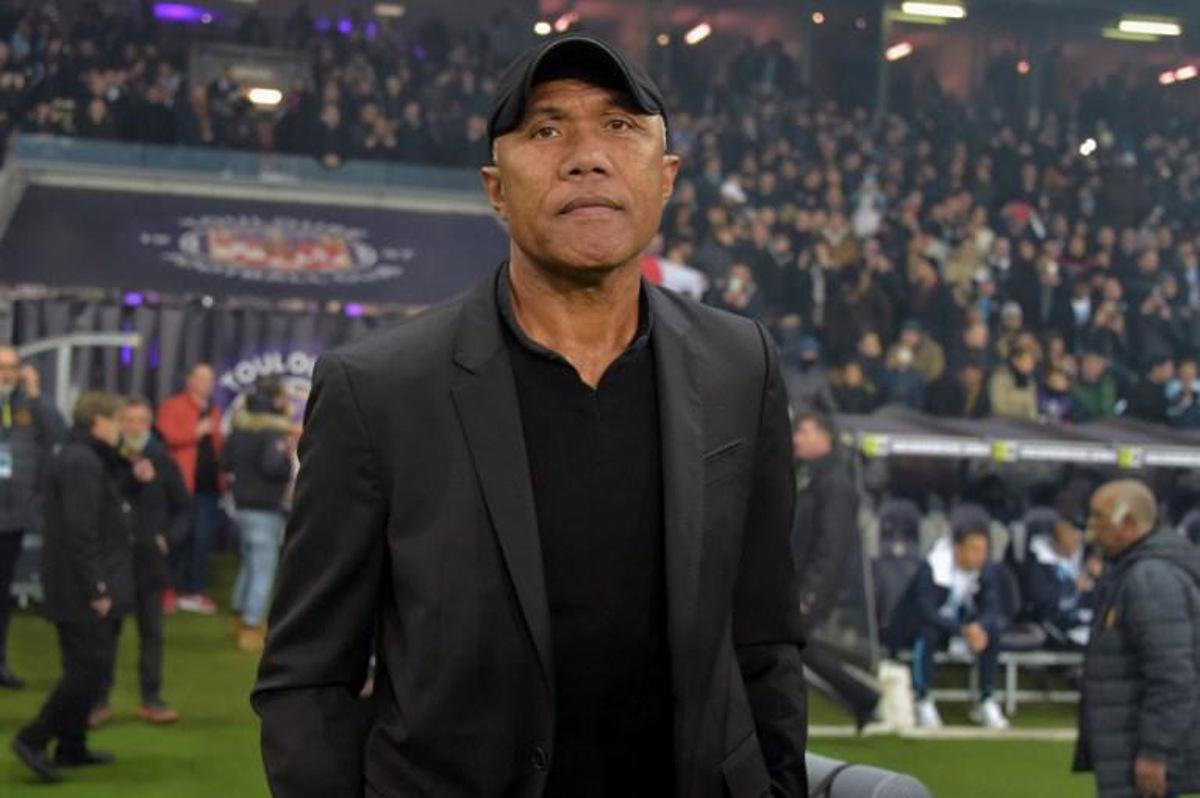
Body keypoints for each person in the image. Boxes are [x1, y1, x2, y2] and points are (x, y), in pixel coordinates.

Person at [254, 33, 808, 797]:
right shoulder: (377, 389)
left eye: (620, 126)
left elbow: (767, 637)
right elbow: (307, 678)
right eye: (547, 130)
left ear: (667, 175)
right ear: (494, 189)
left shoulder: (742, 365)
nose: (587, 156)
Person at [12, 392, 137, 783]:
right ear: (98, 420)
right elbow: (81, 531)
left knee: (84, 666)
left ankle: (71, 745)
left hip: (78, 581)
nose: (121, 428)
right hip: (81, 587)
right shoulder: (80, 462)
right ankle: (33, 739)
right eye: (117, 420)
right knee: (90, 669)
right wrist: (97, 587)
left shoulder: (84, 457)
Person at [1074, 480, 1200, 798]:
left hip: (1136, 750)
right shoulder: (1134, 571)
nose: (1090, 526)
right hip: (1127, 744)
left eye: (1098, 517)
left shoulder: (1150, 579)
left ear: (1127, 523)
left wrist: (1155, 751)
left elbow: (1173, 676)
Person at [91, 397, 189, 727]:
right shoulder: (107, 459)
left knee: (152, 633)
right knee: (106, 633)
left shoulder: (163, 461)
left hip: (149, 560)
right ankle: (99, 701)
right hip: (115, 561)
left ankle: (152, 699)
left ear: (149, 424)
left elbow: (185, 508)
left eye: (140, 420)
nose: (134, 426)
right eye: (128, 420)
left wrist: (167, 538)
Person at [790, 412, 879, 729]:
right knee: (794, 646)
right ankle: (862, 698)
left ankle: (862, 696)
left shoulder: (835, 484)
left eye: (804, 432)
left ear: (824, 438)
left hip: (812, 587)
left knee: (791, 644)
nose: (796, 438)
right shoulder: (813, 477)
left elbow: (831, 544)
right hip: (802, 583)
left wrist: (810, 592)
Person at [884, 505, 1009, 730]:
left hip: (960, 625)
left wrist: (977, 627)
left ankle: (987, 699)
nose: (979, 556)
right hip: (917, 626)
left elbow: (992, 607)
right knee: (927, 634)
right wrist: (962, 630)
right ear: (957, 549)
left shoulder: (987, 569)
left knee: (991, 633)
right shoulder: (933, 567)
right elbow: (925, 611)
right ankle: (923, 699)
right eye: (973, 549)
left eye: (983, 550)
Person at [0, 347, 66, 689]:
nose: (7, 374)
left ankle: (0, 663)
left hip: (14, 518)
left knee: (3, 596)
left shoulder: (30, 405)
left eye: (12, 367)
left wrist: (38, 394)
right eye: (1, 367)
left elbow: (59, 433)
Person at [222, 377, 296, 653]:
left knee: (250, 562)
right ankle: (252, 626)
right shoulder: (274, 433)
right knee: (264, 567)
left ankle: (239, 615)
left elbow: (225, 462)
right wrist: (287, 457)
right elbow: (273, 467)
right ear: (276, 400)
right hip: (265, 505)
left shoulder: (238, 428)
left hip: (242, 503)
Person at [156, 363, 224, 615]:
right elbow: (166, 436)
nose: (207, 384)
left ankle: (193, 591)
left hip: (209, 489)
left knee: (202, 541)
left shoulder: (213, 409)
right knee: (176, 539)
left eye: (210, 379)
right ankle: (167, 590)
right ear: (190, 381)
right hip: (181, 487)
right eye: (202, 378)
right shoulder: (173, 405)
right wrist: (196, 431)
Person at [1021, 507, 1097, 648]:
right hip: (1053, 621)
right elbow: (1040, 600)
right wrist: (1073, 587)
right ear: (1055, 539)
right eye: (1069, 534)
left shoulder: (1087, 558)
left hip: (1086, 617)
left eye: (1076, 534)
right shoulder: (1038, 563)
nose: (1075, 538)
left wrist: (1097, 578)